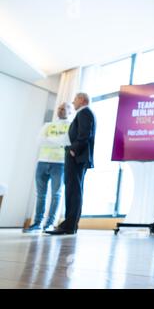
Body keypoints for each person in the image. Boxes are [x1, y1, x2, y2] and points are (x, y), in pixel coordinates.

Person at [46, 92, 96, 235]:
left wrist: (73, 149)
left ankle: (68, 226)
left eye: (74, 100)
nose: (73, 103)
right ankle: (70, 225)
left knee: (73, 191)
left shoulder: (84, 113)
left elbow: (85, 134)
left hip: (76, 157)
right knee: (74, 190)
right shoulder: (83, 113)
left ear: (81, 100)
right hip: (78, 157)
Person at [23, 102, 72, 233]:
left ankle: (49, 224)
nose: (60, 110)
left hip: (60, 163)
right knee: (40, 195)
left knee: (56, 194)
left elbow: (67, 141)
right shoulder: (48, 125)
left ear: (70, 111)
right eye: (59, 108)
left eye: (64, 109)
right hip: (42, 162)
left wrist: (49, 140)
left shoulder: (70, 126)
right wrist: (57, 141)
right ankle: (37, 223)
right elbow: (39, 141)